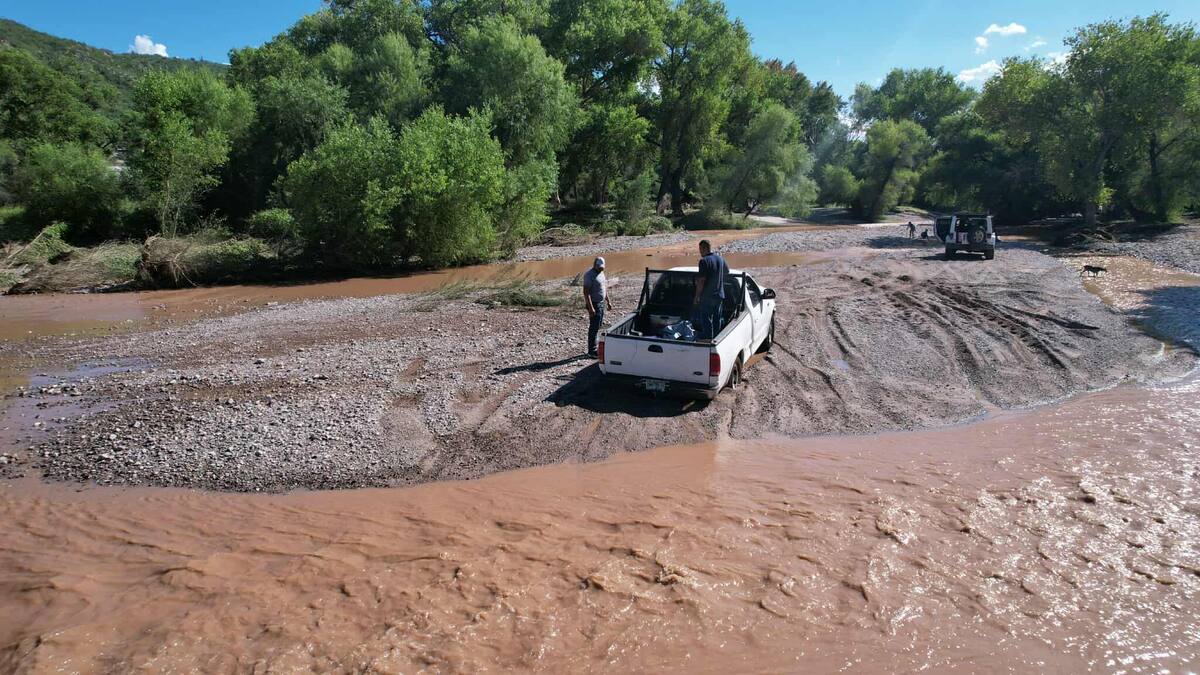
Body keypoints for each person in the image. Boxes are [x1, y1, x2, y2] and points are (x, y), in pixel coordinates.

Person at [691, 239, 728, 340]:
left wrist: (697, 296)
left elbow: (701, 281)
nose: (700, 252)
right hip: (719, 295)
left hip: (707, 297)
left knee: (706, 319)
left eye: (700, 249)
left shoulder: (704, 261)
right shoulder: (720, 259)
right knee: (717, 319)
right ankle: (717, 339)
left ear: (704, 248)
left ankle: (708, 339)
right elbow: (726, 272)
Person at [582, 257, 612, 358]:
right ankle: (591, 351)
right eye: (599, 267)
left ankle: (595, 345)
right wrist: (591, 308)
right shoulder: (589, 275)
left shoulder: (602, 273)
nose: (601, 269)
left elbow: (604, 287)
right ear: (594, 265)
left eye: (602, 267)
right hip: (594, 304)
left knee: (598, 326)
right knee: (594, 328)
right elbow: (586, 293)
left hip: (601, 303)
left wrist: (608, 301)